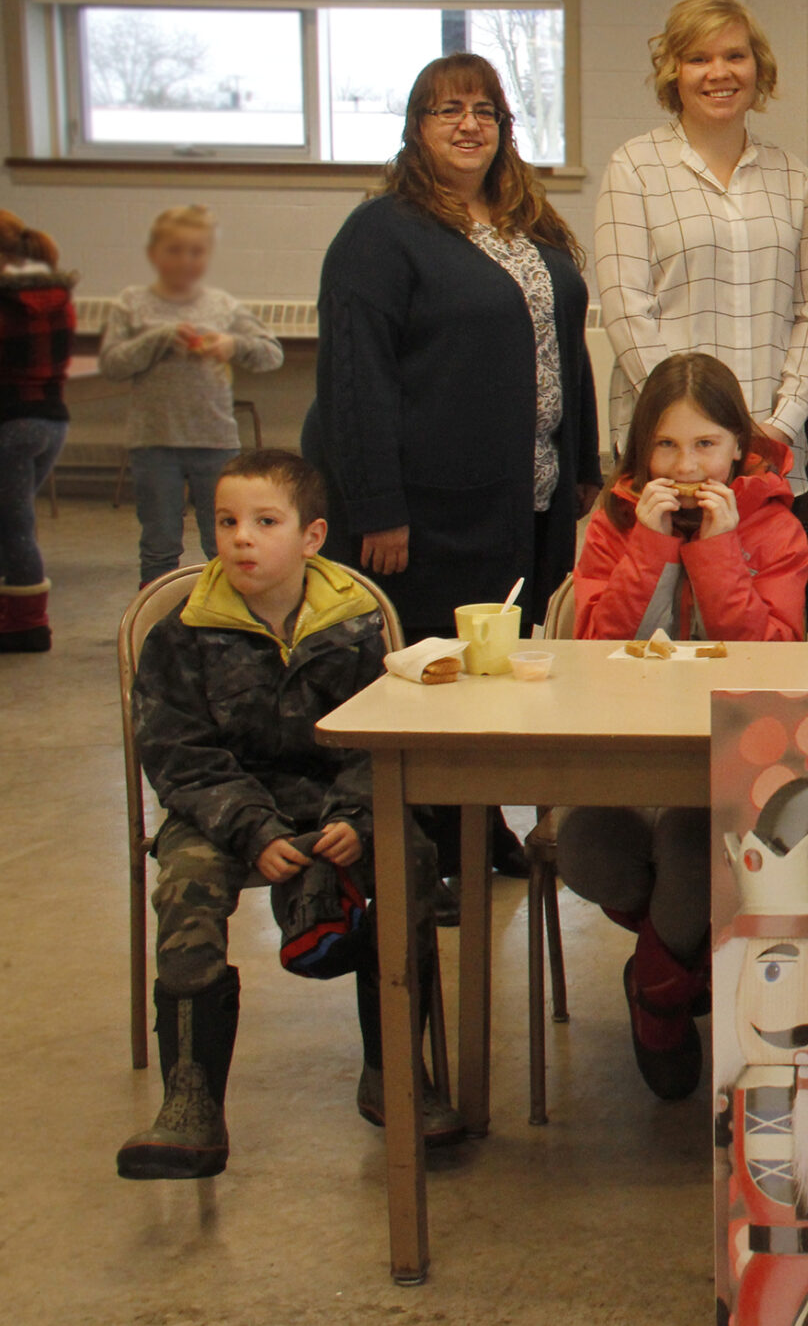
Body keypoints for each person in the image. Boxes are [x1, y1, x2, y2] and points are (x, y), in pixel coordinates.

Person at [116, 450, 463, 1180]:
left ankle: (396, 1072)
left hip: (330, 799)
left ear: (311, 536)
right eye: (226, 521)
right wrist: (255, 830)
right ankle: (192, 1100)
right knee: (186, 884)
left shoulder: (357, 621)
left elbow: (382, 733)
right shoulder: (180, 630)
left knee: (412, 859)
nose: (240, 537)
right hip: (221, 808)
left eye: (264, 521)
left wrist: (356, 818)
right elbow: (178, 755)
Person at [304, 53, 599, 889]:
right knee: (434, 678)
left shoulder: (526, 223)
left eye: (485, 109)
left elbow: (564, 345)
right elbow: (354, 379)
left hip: (529, 494)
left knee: (497, 673)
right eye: (446, 110)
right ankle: (425, 848)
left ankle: (482, 825)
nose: (469, 124)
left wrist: (581, 462)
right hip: (429, 509)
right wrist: (376, 506)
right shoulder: (382, 233)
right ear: (415, 129)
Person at [559, 352, 808, 1098]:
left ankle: (659, 998)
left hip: (735, 756)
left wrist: (716, 550)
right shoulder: (613, 520)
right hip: (624, 748)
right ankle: (682, 951)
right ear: (641, 454)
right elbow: (593, 649)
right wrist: (652, 542)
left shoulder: (772, 524)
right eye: (666, 446)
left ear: (739, 446)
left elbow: (773, 659)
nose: (687, 464)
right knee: (585, 847)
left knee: (694, 846)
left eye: (705, 444)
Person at [595, 0, 808, 490]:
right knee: (659, 568)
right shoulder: (634, 167)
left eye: (734, 56)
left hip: (770, 451)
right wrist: (695, 434)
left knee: (762, 570)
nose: (718, 72)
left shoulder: (792, 177)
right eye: (699, 58)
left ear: (757, 67)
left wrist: (778, 427)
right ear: (674, 72)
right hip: (670, 452)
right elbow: (625, 311)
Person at [99, 205, 285, 584]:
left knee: (224, 542)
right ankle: (156, 629)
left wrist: (233, 345)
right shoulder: (132, 304)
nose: (185, 260)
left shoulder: (221, 305)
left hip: (214, 441)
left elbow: (271, 354)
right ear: (154, 253)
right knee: (159, 542)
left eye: (196, 251)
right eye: (175, 250)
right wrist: (159, 339)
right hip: (154, 441)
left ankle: (229, 622)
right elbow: (113, 364)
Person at [0, 209, 72, 654]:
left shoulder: (6, 302)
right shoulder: (55, 294)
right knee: (14, 518)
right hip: (51, 420)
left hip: (9, 422)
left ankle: (29, 625)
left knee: (15, 526)